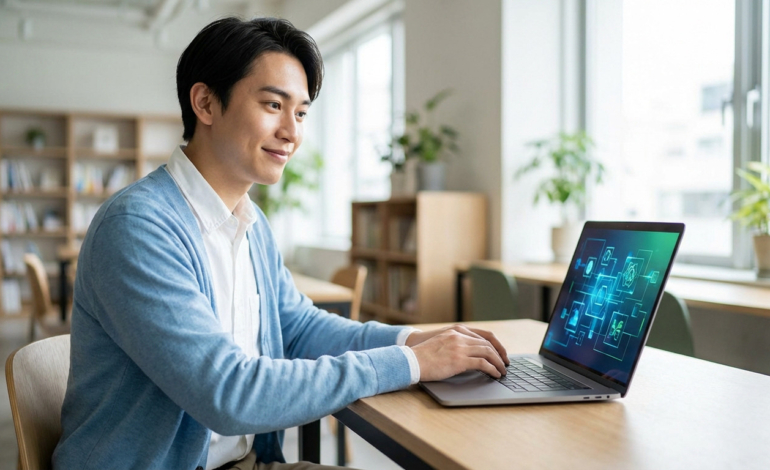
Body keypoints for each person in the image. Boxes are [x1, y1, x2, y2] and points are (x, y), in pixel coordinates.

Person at [52, 17, 508, 470]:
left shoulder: (251, 223)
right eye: (274, 105)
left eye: (302, 113)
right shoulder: (139, 227)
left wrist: (415, 339)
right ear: (206, 103)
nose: (293, 132)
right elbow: (228, 394)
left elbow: (299, 329)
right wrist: (408, 363)